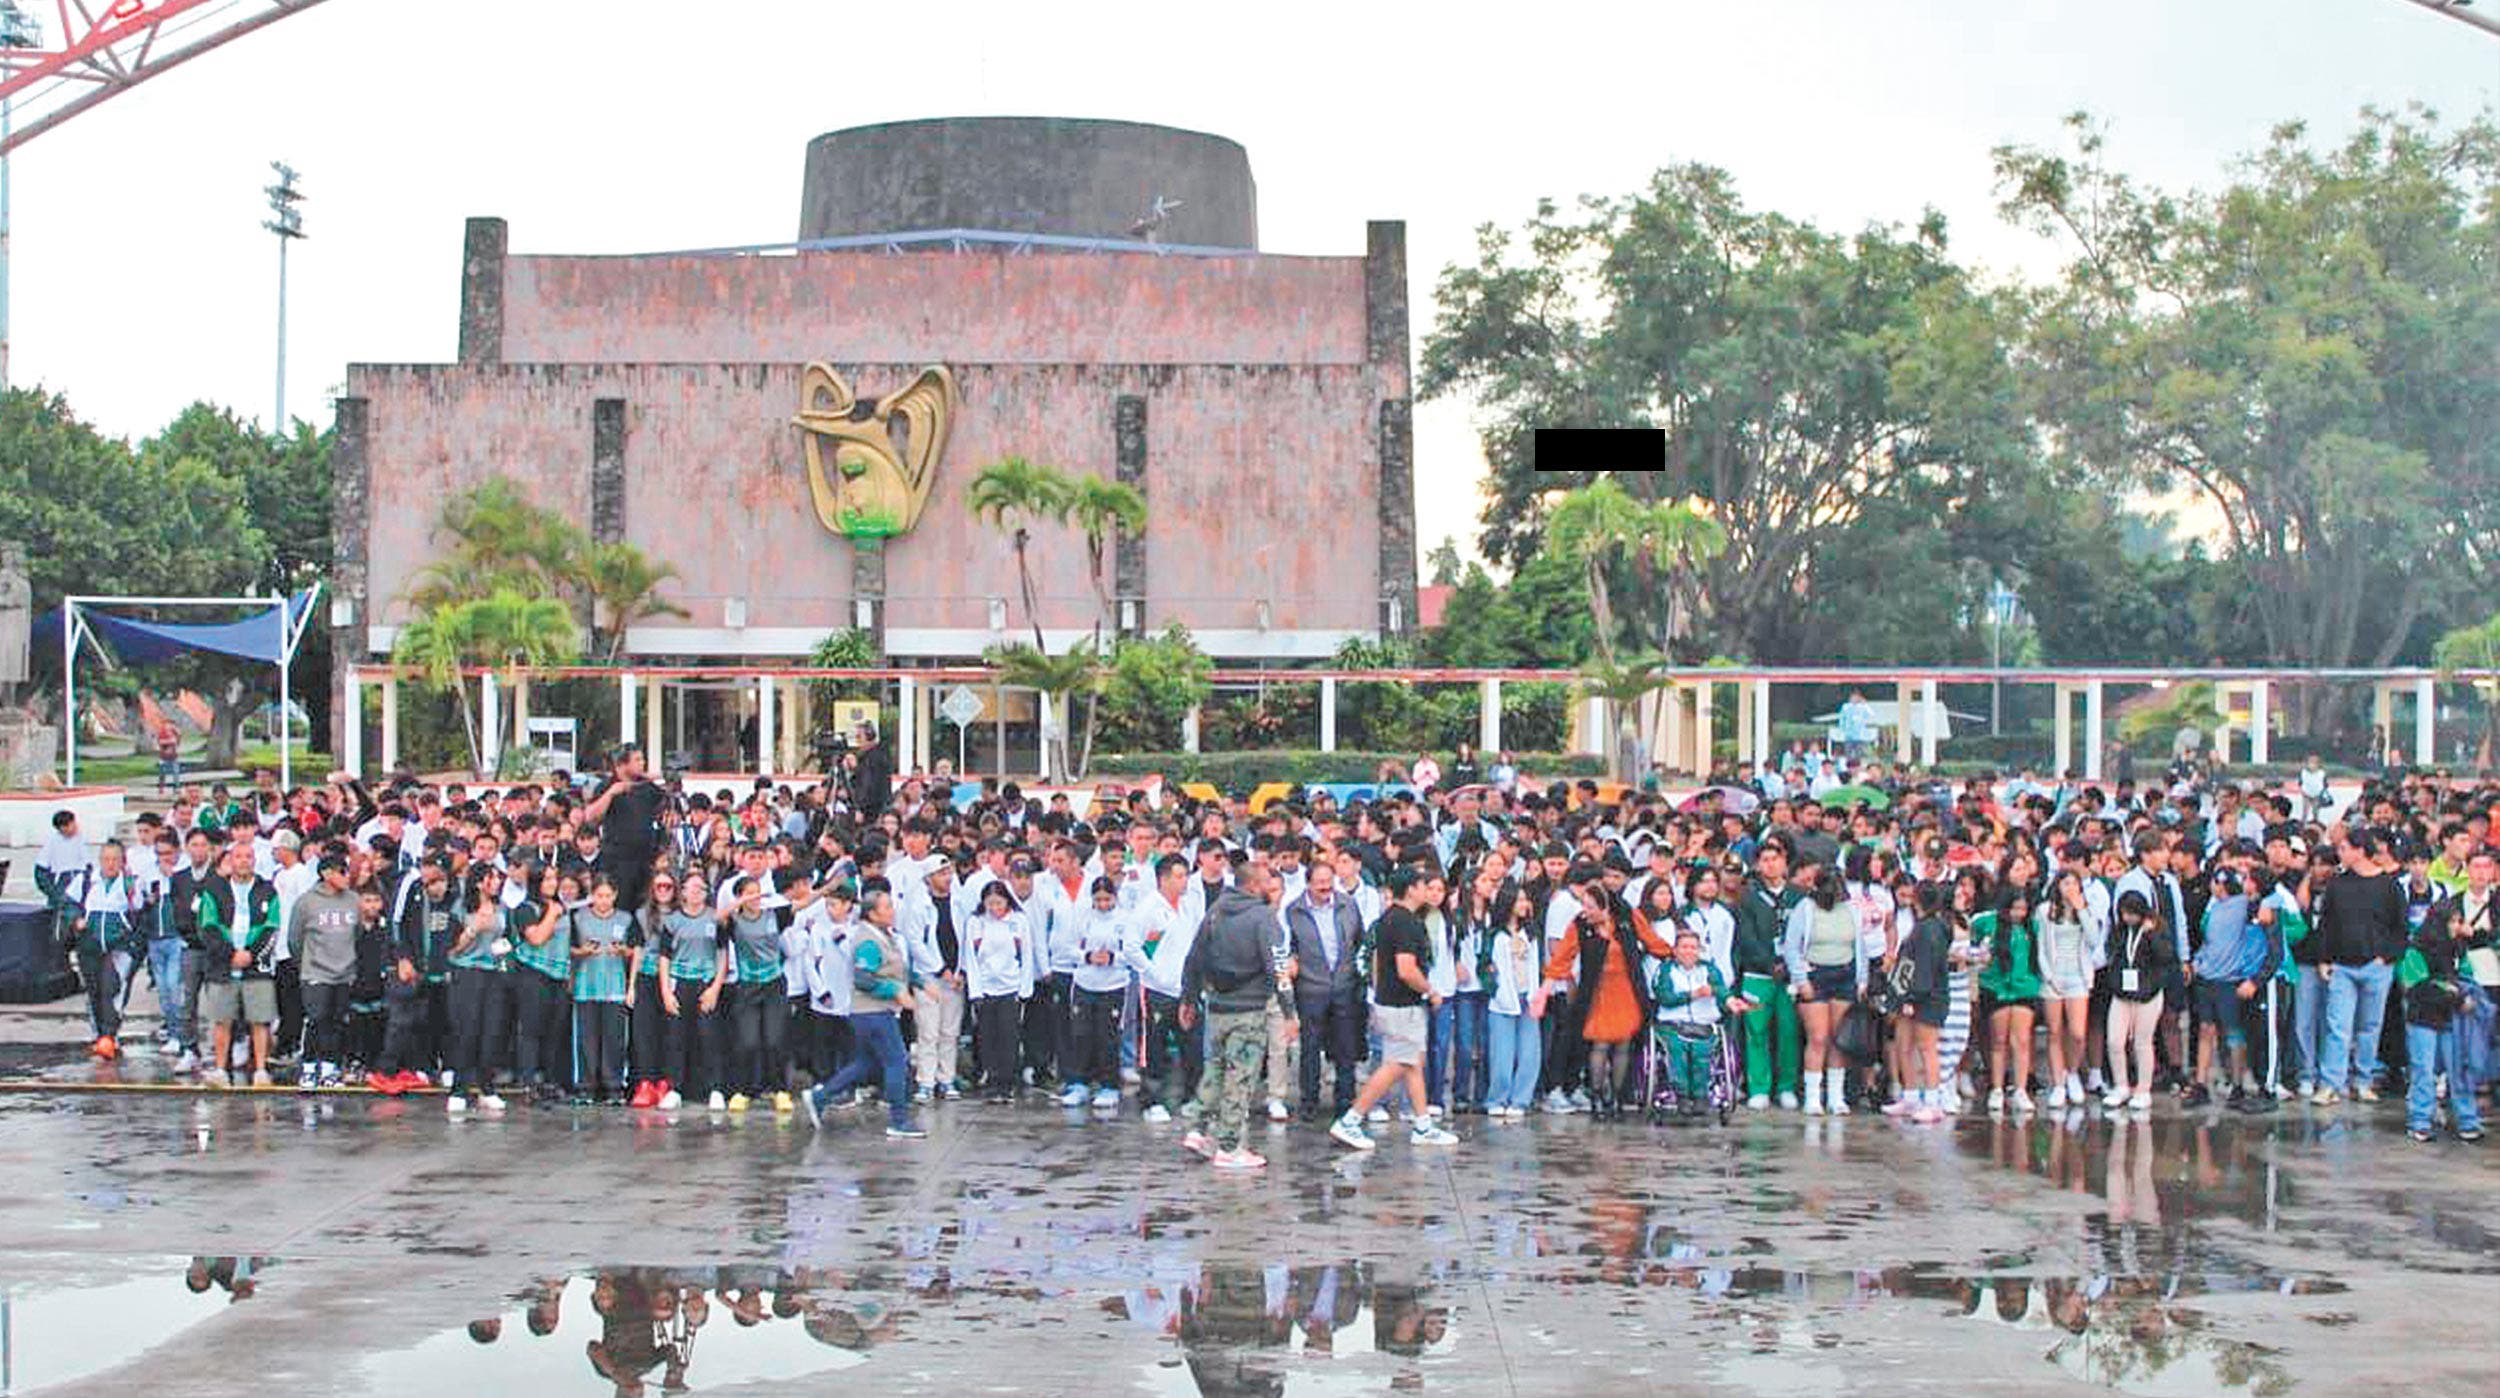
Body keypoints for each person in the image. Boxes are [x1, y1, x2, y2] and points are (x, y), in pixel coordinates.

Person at [1329, 868, 1460, 1151]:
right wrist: (1430, 991)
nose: (1427, 891)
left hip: (1390, 1002)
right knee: (1396, 1064)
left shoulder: (1388, 919)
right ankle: (1351, 1119)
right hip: (1402, 1006)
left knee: (1412, 1063)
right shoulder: (1406, 923)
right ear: (1411, 889)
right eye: (1423, 885)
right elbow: (1406, 969)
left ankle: (1423, 1124)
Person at [1177, 859, 1290, 1170]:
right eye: (1266, 881)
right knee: (1240, 1076)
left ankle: (1198, 1129)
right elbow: (1278, 966)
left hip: (1217, 1006)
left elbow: (1195, 956)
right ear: (1253, 885)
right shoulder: (1263, 918)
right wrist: (1289, 1011)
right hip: (1249, 1009)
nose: (1271, 887)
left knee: (1214, 1068)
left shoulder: (1215, 912)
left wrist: (1188, 997)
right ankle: (1229, 1146)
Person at [801, 886, 926, 1138]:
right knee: (896, 1061)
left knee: (865, 1064)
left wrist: (921, 983)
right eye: (886, 907)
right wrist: (895, 991)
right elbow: (863, 978)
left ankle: (820, 1097)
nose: (892, 911)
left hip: (875, 1012)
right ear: (872, 914)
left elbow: (896, 968)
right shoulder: (867, 940)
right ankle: (899, 1120)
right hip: (872, 1012)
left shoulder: (885, 935)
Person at [1284, 857, 1367, 1123]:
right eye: (1319, 882)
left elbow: (1359, 939)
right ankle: (1309, 1100)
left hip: (1344, 985)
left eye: (1328, 881)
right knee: (1310, 1047)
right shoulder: (1294, 911)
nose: (1325, 887)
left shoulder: (1347, 905)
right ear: (1308, 884)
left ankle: (1345, 1101)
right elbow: (1289, 948)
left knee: (1345, 1047)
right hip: (1310, 987)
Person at [192, 844, 281, 1088]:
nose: (243, 861)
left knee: (260, 1020)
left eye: (248, 857)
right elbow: (207, 927)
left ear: (255, 861)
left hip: (257, 967)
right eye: (238, 856)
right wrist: (229, 954)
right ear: (230, 861)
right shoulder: (214, 890)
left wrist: (251, 953)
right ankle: (221, 1069)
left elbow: (272, 927)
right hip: (222, 966)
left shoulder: (267, 890)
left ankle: (261, 1070)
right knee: (222, 1020)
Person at [2399, 895, 2485, 1142]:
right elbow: (2416, 988)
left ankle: (2468, 1121)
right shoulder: (2416, 948)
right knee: (2423, 1072)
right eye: (2453, 921)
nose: (2458, 927)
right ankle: (2419, 1121)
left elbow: (2466, 975)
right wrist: (2454, 996)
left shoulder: (2458, 947)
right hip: (2423, 1020)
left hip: (2450, 1020)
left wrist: (2455, 992)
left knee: (2459, 1071)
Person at [1782, 864, 1866, 1116]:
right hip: (1815, 974)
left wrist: (1861, 979)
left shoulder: (1851, 909)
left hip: (1845, 974)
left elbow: (1859, 946)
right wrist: (1801, 979)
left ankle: (1836, 1096)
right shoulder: (1805, 909)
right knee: (1818, 1037)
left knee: (1839, 1039)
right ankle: (1812, 1095)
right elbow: (1791, 946)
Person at [443, 863, 517, 1114]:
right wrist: (474, 929)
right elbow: (452, 948)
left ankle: (487, 1088)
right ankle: (459, 1090)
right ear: (479, 882)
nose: (497, 882)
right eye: (492, 878)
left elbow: (508, 939)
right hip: (467, 972)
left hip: (494, 972)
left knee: (492, 1031)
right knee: (467, 1031)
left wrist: (504, 952)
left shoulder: (502, 908)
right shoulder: (461, 908)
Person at [285, 854, 362, 1088]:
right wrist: (306, 964)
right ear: (327, 874)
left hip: (345, 971)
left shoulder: (354, 900)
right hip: (315, 972)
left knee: (337, 1021)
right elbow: (295, 939)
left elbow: (358, 933)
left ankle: (330, 1067)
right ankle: (309, 1067)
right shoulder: (306, 902)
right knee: (316, 1019)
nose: (346, 877)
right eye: (341, 872)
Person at [63, 839, 142, 1061]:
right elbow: (67, 903)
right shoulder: (86, 880)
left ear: (122, 861)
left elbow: (139, 910)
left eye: (115, 859)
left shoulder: (130, 884)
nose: (110, 864)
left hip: (119, 947)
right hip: (89, 945)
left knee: (113, 989)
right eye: (106, 859)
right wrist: (76, 919)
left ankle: (109, 1034)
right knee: (94, 990)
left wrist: (131, 939)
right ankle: (99, 1034)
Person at [657, 874, 730, 1111]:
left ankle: (715, 1089)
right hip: (680, 981)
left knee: (709, 1036)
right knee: (676, 1038)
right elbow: (664, 957)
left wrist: (716, 987)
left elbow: (723, 954)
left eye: (702, 888)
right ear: (683, 892)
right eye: (692, 887)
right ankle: (675, 1089)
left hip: (706, 981)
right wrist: (666, 991)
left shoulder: (715, 918)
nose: (697, 892)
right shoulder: (672, 920)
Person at [1056, 877, 1129, 1110]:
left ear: (1115, 897)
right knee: (1081, 1035)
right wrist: (1087, 957)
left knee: (1107, 1037)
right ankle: (1079, 1083)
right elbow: (1067, 948)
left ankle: (1109, 1085)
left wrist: (1113, 958)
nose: (1103, 904)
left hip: (1113, 985)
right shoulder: (1082, 917)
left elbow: (1133, 952)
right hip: (1085, 984)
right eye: (1098, 900)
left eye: (1107, 899)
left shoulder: (1125, 919)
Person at [1651, 926, 1737, 1118]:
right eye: (1684, 947)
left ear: (1699, 951)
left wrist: (1730, 1001)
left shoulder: (1709, 969)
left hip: (1704, 1024)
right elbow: (1664, 996)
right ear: (1675, 950)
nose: (1689, 951)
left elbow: (1720, 989)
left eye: (1693, 947)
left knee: (1701, 1053)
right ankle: (1681, 1095)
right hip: (1673, 1024)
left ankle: (1700, 1096)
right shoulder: (1665, 970)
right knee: (1677, 1052)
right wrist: (1692, 995)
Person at [2101, 891, 2174, 1112]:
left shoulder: (2157, 929)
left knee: (2142, 1042)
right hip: (2122, 992)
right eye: (2124, 914)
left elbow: (2166, 956)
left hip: (2148, 993)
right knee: (2115, 1041)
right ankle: (2121, 1085)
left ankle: (2143, 1089)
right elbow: (2111, 952)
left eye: (2132, 914)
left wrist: (2151, 935)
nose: (2128, 918)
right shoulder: (2120, 931)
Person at [569, 875, 636, 1104]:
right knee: (586, 1040)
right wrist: (583, 952)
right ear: (592, 896)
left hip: (615, 986)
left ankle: (614, 1086)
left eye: (608, 896)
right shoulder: (579, 918)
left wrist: (624, 952)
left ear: (615, 895)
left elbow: (635, 950)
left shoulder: (625, 919)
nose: (604, 901)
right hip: (586, 986)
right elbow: (570, 949)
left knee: (614, 1039)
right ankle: (586, 1087)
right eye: (599, 896)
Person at [1974, 888, 2041, 1114]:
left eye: (2023, 909)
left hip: (2025, 987)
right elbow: (1974, 935)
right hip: (1997, 987)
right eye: (2014, 909)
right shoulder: (1989, 924)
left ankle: (2020, 1089)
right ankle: (1997, 1088)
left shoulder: (2032, 927)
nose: (2019, 914)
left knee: (2021, 1040)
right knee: (1999, 1040)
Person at [1482, 883, 1546, 1117]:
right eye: (1518, 900)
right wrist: (1496, 990)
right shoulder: (1495, 935)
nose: (1523, 904)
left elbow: (1536, 966)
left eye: (1525, 900)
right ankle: (1497, 1098)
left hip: (1528, 997)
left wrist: (1536, 996)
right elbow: (1486, 966)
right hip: (1503, 1000)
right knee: (1502, 1054)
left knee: (1530, 1053)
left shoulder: (1531, 933)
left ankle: (1520, 1099)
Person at [581, 746, 668, 913]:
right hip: (617, 862)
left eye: (642, 759)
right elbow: (590, 816)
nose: (642, 763)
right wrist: (611, 793)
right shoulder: (606, 786)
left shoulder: (647, 787)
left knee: (645, 908)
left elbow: (666, 802)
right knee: (621, 907)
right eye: (637, 760)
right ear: (621, 765)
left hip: (645, 861)